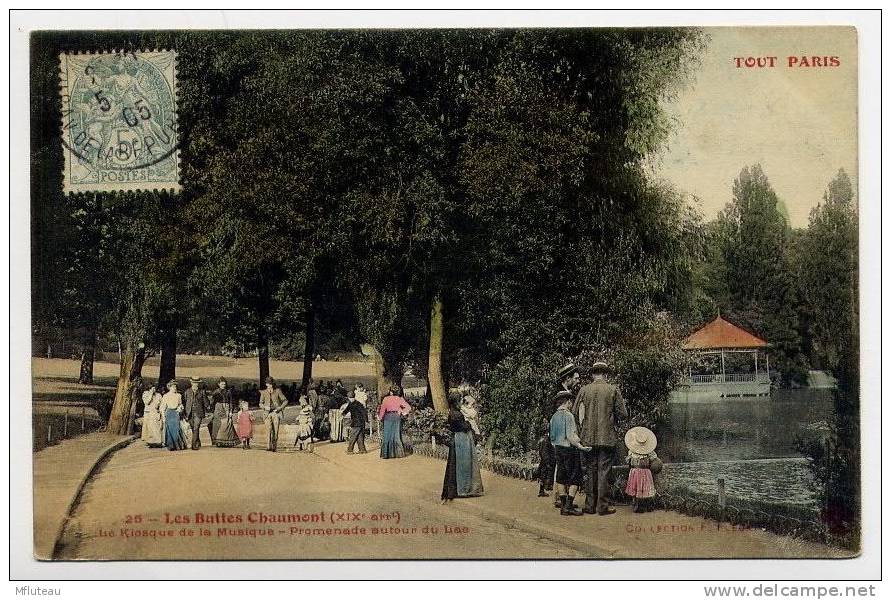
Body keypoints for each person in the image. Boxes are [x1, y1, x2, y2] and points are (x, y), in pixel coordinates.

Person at [573, 361, 628, 515]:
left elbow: (574, 411)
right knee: (604, 471)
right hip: (607, 437)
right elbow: (623, 414)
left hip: (588, 437)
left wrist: (581, 429)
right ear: (605, 374)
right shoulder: (612, 389)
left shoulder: (584, 390)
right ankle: (602, 507)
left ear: (593, 374)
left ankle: (590, 506)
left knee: (590, 469)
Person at [549, 390, 591, 516]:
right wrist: (581, 446)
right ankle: (568, 506)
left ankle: (563, 505)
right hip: (569, 449)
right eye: (571, 402)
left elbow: (551, 436)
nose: (572, 404)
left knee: (561, 477)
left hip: (558, 449)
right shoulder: (569, 416)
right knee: (575, 478)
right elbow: (571, 436)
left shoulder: (554, 417)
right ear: (567, 402)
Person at [441, 392, 484, 502]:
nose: (461, 402)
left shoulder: (453, 412)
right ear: (455, 402)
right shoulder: (456, 414)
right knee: (464, 463)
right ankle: (464, 489)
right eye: (459, 400)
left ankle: (461, 489)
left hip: (458, 438)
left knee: (458, 463)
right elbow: (464, 426)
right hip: (462, 439)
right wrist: (469, 424)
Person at [552, 363, 581, 508]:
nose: (577, 381)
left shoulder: (567, 393)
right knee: (562, 469)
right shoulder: (559, 394)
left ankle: (563, 500)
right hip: (560, 439)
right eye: (575, 378)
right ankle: (560, 499)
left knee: (563, 469)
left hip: (561, 439)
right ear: (567, 378)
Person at [624, 426, 662, 513]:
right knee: (640, 487)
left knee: (643, 488)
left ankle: (645, 505)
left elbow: (655, 460)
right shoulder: (634, 451)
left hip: (641, 471)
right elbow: (654, 459)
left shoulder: (646, 451)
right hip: (639, 471)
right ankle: (638, 505)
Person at [377, 385, 411, 459]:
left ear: (391, 392)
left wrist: (380, 418)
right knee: (396, 434)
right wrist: (402, 411)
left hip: (388, 416)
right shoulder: (399, 399)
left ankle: (386, 454)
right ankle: (398, 453)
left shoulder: (386, 399)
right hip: (396, 416)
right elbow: (408, 407)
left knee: (387, 434)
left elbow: (383, 409)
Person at [259, 376, 288, 452]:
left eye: (271, 384)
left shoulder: (278, 391)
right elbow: (260, 403)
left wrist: (280, 408)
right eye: (268, 384)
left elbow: (285, 401)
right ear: (266, 384)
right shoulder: (264, 392)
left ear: (273, 384)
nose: (269, 385)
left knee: (276, 430)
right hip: (267, 413)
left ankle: (274, 446)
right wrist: (265, 407)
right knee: (268, 430)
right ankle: (268, 446)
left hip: (276, 413)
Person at [183, 376, 210, 450]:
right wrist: (184, 413)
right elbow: (185, 402)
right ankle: (197, 441)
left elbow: (206, 402)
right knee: (193, 428)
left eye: (197, 383)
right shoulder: (187, 391)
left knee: (196, 427)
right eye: (194, 383)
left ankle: (194, 445)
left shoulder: (202, 391)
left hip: (198, 412)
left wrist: (208, 406)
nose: (195, 384)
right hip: (189, 413)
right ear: (191, 383)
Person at [210, 377, 238, 446]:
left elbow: (231, 402)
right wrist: (212, 410)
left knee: (227, 423)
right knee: (217, 424)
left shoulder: (228, 392)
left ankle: (227, 441)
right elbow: (212, 402)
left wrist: (231, 411)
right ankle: (217, 441)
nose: (223, 386)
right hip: (218, 408)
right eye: (222, 384)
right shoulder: (215, 392)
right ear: (218, 384)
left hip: (226, 408)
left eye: (224, 384)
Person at [160, 380, 186, 451]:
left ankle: (178, 445)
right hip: (169, 413)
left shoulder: (178, 395)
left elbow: (180, 404)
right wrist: (163, 417)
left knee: (176, 429)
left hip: (176, 413)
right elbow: (162, 407)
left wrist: (180, 408)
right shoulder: (165, 396)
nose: (175, 388)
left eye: (175, 386)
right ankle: (171, 445)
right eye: (173, 387)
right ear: (169, 387)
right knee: (169, 430)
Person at [535, 419, 555, 497]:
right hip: (546, 461)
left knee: (542, 475)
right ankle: (542, 490)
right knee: (544, 475)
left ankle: (542, 490)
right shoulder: (546, 440)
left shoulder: (542, 439)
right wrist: (548, 463)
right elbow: (545, 453)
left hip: (543, 461)